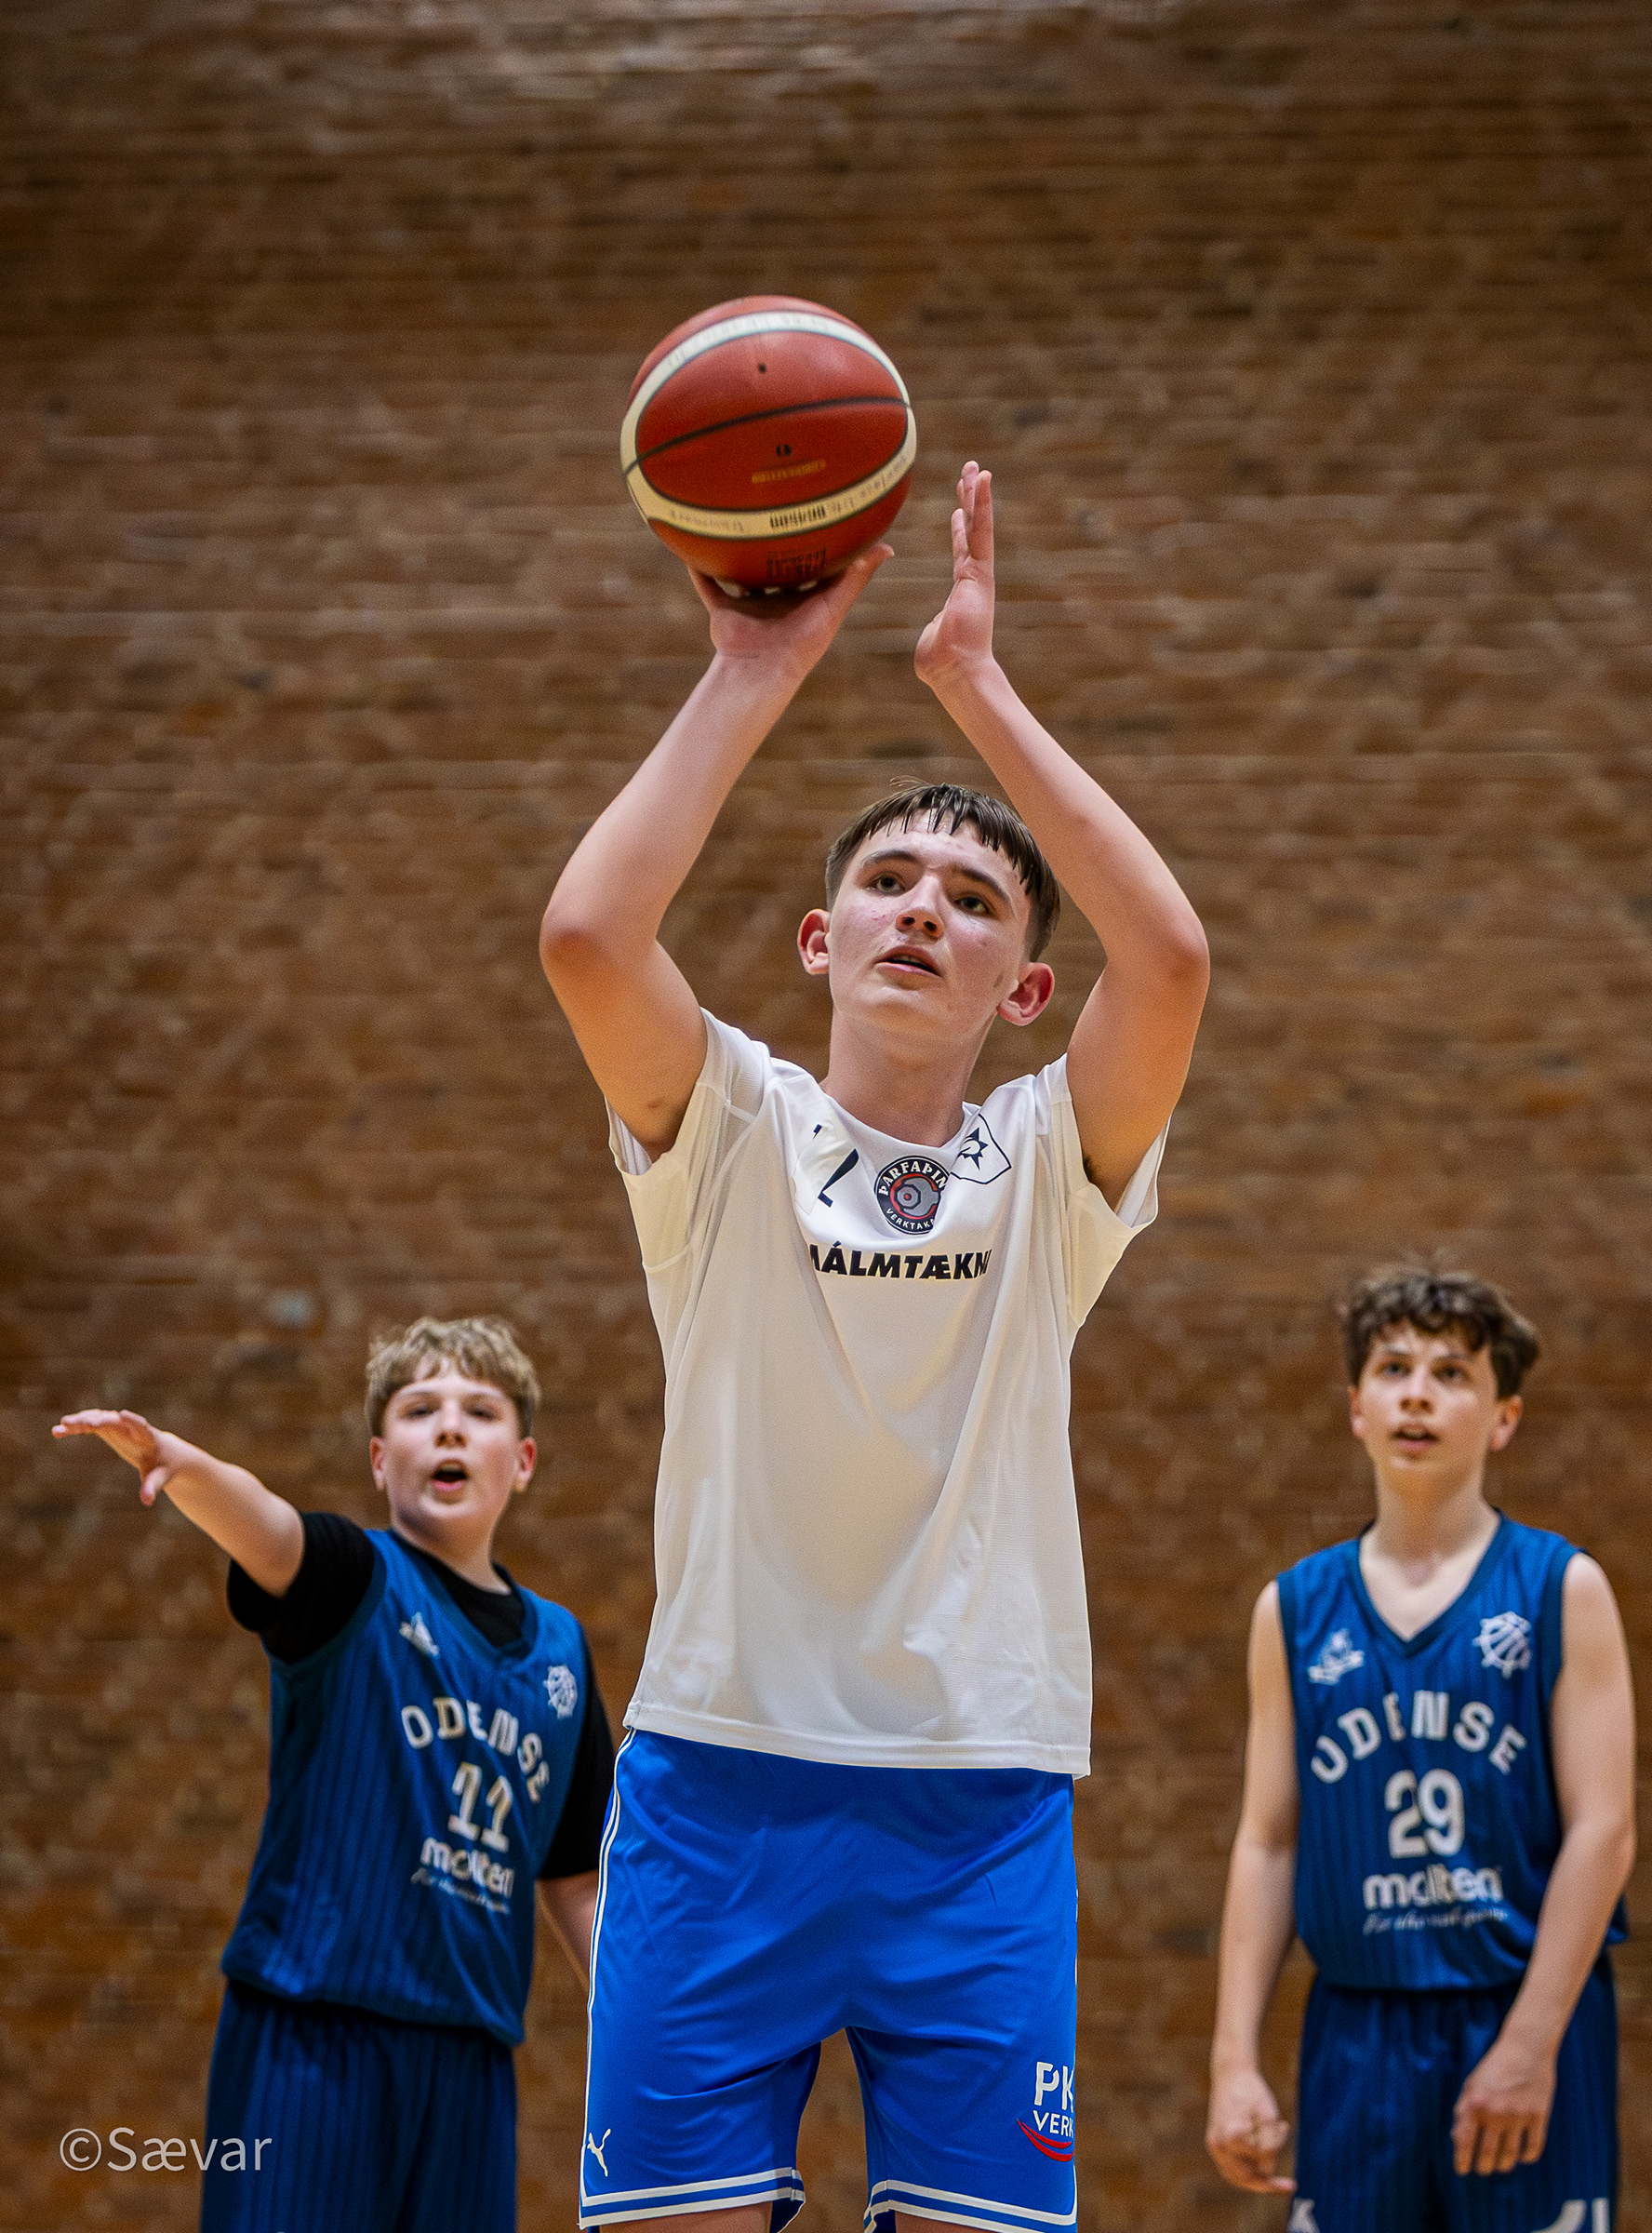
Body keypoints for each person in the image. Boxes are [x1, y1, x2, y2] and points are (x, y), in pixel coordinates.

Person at [540, 460, 1209, 2233]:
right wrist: (752, 670)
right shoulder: (732, 1124)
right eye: (891, 882)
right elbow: (589, 936)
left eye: (976, 901)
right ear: (820, 942)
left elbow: (1171, 957)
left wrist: (974, 687)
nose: (927, 907)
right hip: (716, 1781)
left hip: (975, 1801)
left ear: (1024, 990)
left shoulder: (1047, 1164)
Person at [53, 1315, 616, 2233]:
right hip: (310, 2029)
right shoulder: (354, 1580)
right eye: (419, 1409)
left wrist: (637, 2019)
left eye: (480, 1411)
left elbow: (575, 1880)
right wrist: (187, 1470)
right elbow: (271, 1530)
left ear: (522, 1462)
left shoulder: (562, 1652)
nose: (448, 1427)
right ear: (379, 1460)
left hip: (472, 2057)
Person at [1206, 1266, 1636, 2233]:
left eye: (1451, 1374)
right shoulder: (1294, 1610)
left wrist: (1530, 2042)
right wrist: (1234, 2060)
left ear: (1504, 1417)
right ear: (1356, 1408)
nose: (1416, 1394)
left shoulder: (1561, 1589)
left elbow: (1604, 1832)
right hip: (1358, 2028)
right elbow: (1269, 1842)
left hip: (1519, 2010)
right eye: (1393, 1369)